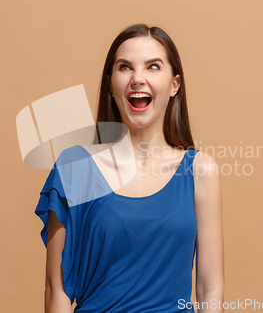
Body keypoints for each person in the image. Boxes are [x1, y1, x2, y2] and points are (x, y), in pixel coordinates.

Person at [35, 24, 224, 312]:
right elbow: (56, 290)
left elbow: (210, 290)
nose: (138, 78)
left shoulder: (200, 171)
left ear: (175, 85)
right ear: (111, 83)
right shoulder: (75, 169)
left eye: (153, 67)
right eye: (125, 67)